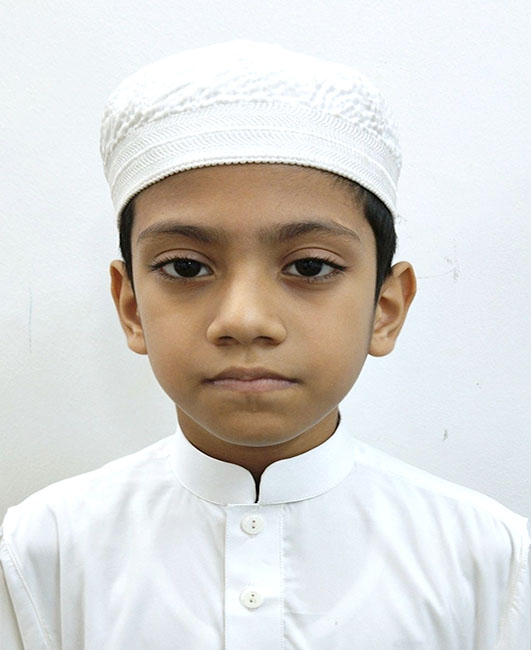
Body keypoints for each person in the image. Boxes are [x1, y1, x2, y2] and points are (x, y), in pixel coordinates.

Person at [1, 40, 529, 649]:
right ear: (131, 307)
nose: (245, 320)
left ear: (386, 308)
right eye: (185, 267)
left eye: (309, 267)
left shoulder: (491, 561)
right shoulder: (44, 549)